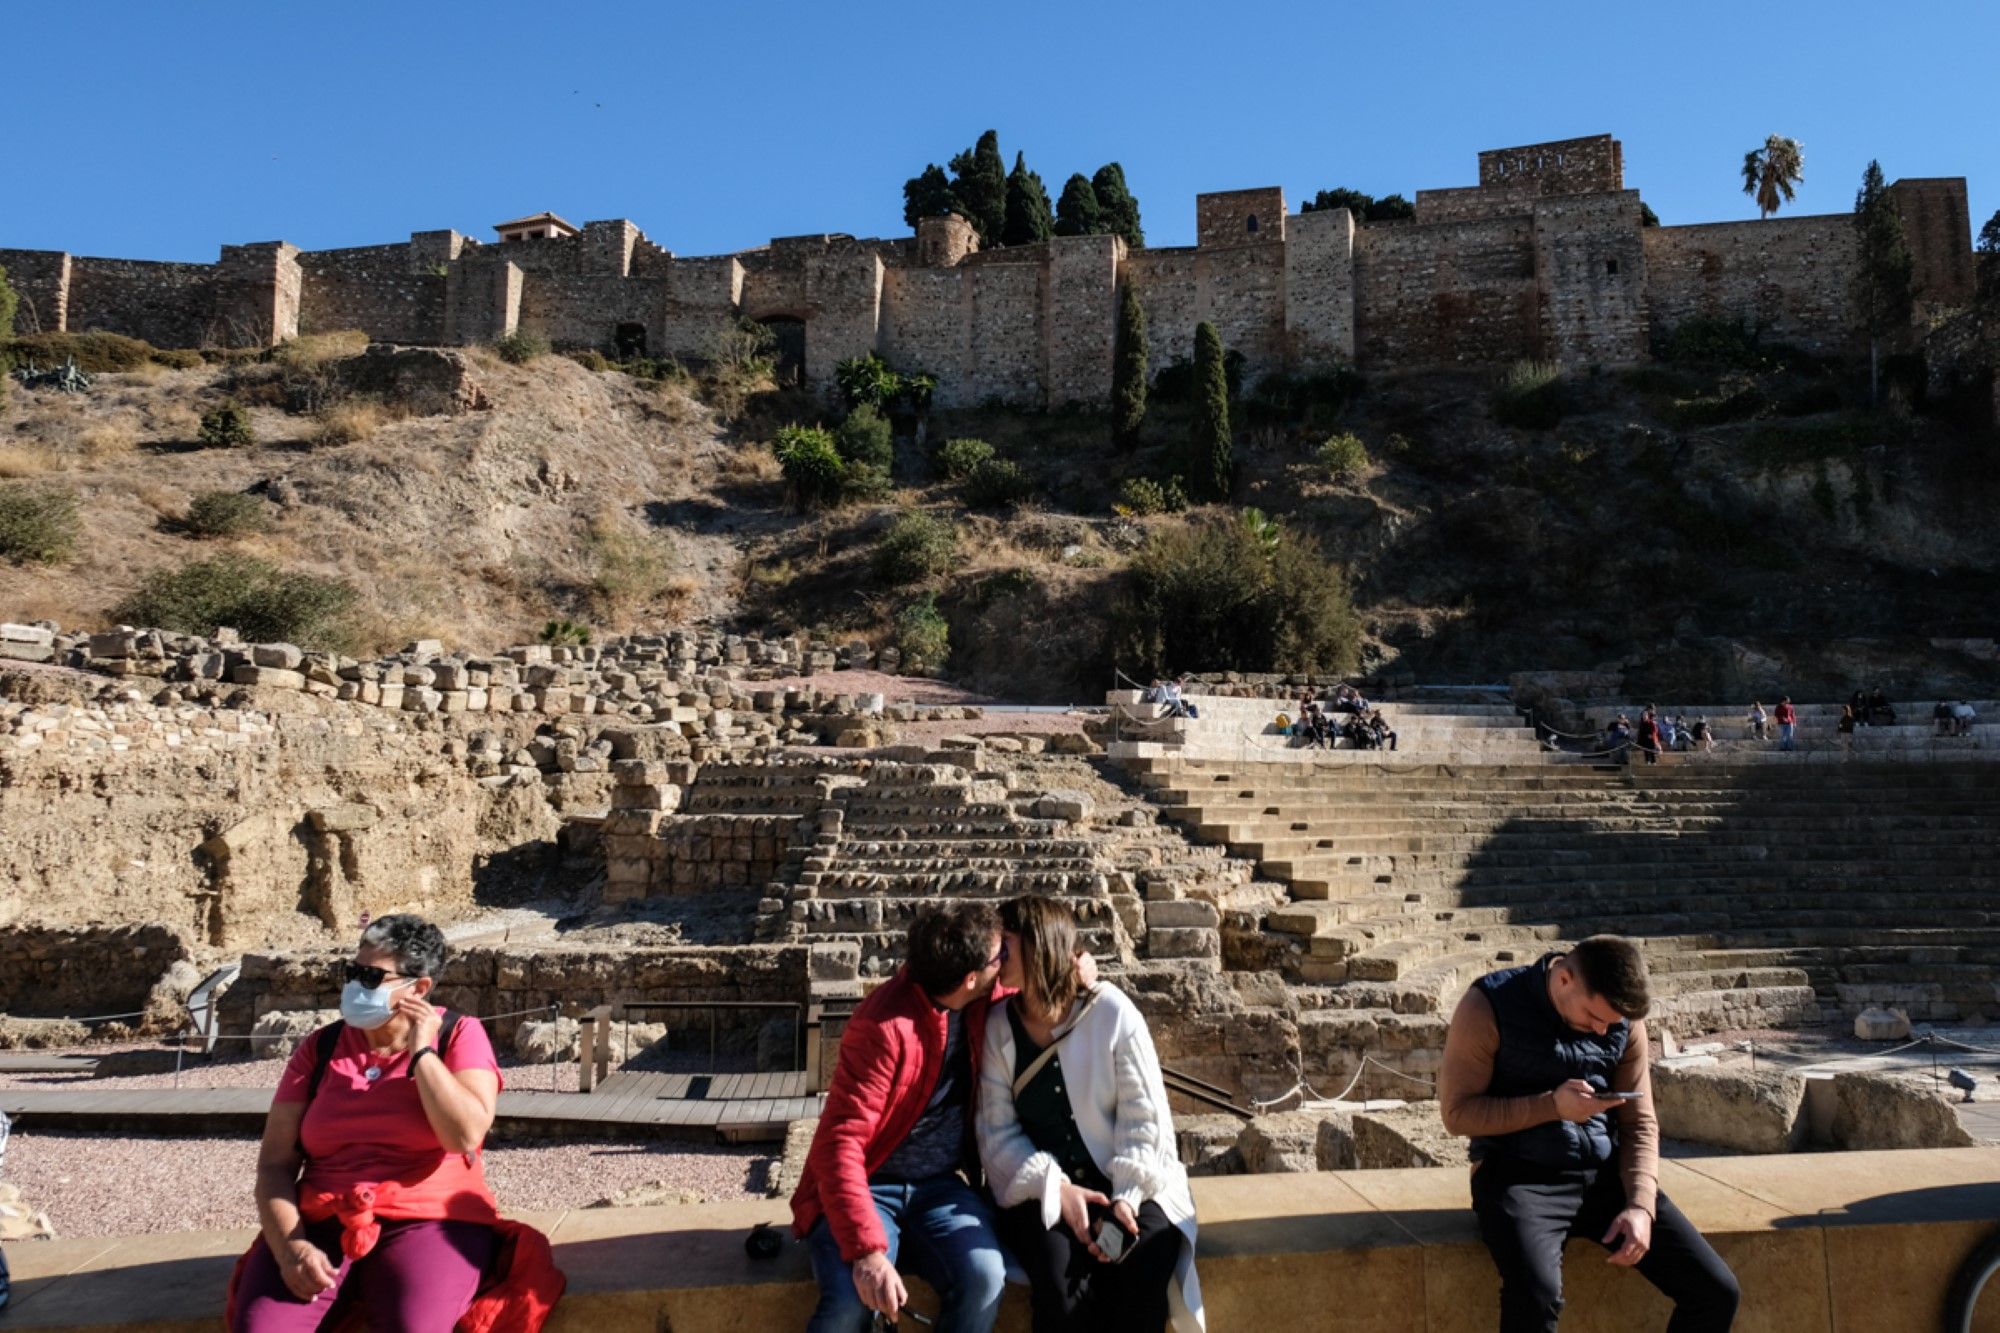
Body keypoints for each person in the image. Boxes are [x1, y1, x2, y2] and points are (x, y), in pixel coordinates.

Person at [227, 914, 563, 1332]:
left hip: (430, 1217)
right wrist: (291, 1247)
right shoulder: (321, 1047)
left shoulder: (459, 1034)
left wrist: (422, 1053)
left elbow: (464, 1135)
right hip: (323, 1218)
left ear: (418, 988)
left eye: (370, 976)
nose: (353, 985)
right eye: (351, 971)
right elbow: (275, 1165)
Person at [793, 902, 1098, 1332]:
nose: (1005, 962)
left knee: (985, 1278)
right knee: (847, 1303)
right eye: (999, 957)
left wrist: (1072, 967)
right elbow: (840, 1144)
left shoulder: (980, 996)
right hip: (872, 1183)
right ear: (971, 978)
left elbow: (1033, 981)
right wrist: (867, 1253)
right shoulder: (881, 1027)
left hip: (940, 1187)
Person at [1439, 937, 1740, 1332]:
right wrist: (1551, 1106)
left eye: (1611, 1023)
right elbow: (1457, 1114)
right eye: (1594, 1016)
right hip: (1517, 1176)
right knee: (1535, 1295)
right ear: (1564, 978)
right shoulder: (1487, 1006)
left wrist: (1640, 1205)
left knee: (1716, 1291)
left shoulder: (1621, 1022)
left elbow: (1640, 1123)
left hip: (1603, 1174)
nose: (1601, 1030)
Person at [978, 897, 1202, 1333]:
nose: (995, 954)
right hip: (1043, 1189)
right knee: (1062, 1292)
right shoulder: (998, 1028)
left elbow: (1145, 1118)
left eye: (1005, 942)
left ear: (1038, 944)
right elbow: (997, 1135)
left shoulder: (1111, 1012)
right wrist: (1056, 1188)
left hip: (1133, 1179)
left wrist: (1125, 1198)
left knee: (1138, 1272)